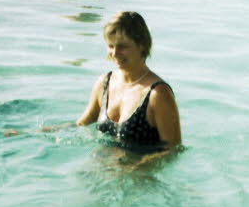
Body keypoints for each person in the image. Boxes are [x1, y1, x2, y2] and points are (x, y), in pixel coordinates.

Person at [77, 11, 181, 150]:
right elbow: (82, 124)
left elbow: (173, 149)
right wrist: (50, 131)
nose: (114, 53)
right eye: (111, 46)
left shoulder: (158, 94)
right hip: (101, 168)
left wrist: (136, 167)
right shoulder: (104, 83)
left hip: (139, 171)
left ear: (142, 45)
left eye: (122, 46)